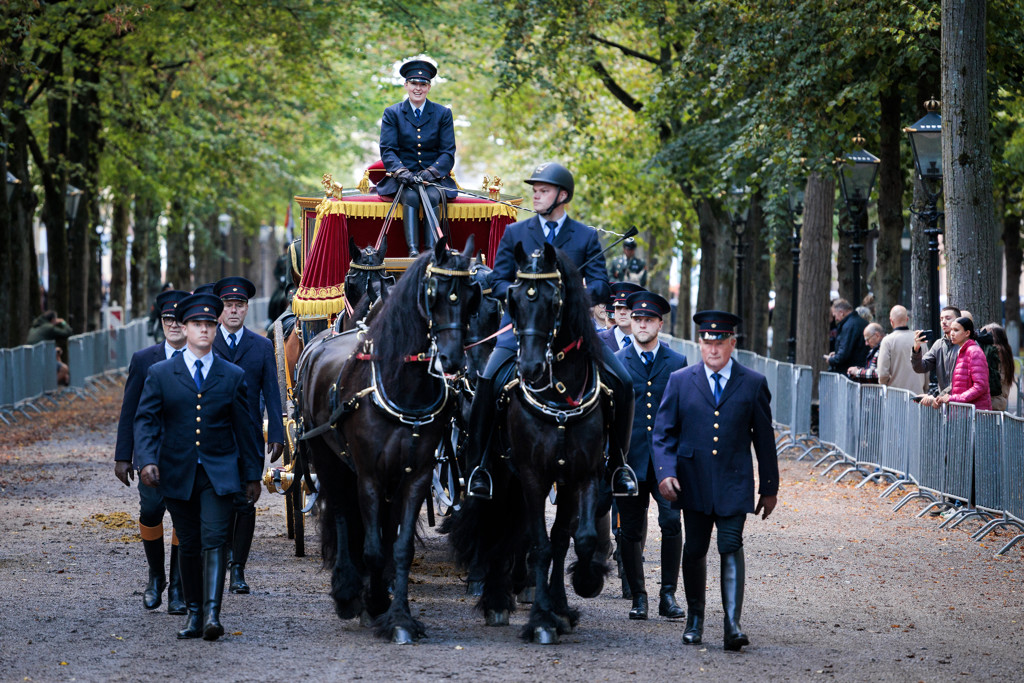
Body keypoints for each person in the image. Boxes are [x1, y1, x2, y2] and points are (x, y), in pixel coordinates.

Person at [463, 161, 635, 498]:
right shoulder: (516, 232)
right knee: (487, 381)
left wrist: (574, 296)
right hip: (522, 330)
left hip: (574, 334)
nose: (536, 195)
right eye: (535, 190)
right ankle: (480, 467)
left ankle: (618, 465)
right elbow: (498, 281)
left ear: (562, 195)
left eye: (543, 190)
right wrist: (522, 296)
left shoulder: (585, 236)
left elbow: (601, 284)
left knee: (624, 382)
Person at [134, 292, 263, 641]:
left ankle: (212, 615)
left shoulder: (233, 375)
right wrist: (146, 460)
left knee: (215, 539)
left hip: (220, 472)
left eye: (209, 324)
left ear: (216, 328)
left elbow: (245, 428)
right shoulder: (161, 373)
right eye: (197, 324)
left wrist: (253, 475)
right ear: (186, 329)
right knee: (189, 542)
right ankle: (193, 613)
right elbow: (145, 421)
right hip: (177, 472)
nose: (204, 330)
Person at [653, 310, 779, 651]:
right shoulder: (680, 380)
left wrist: (769, 488)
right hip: (691, 482)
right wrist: (665, 473)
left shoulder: (753, 383)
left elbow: (764, 440)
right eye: (707, 342)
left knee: (730, 544)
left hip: (734, 481)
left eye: (720, 342)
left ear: (732, 344)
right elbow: (663, 434)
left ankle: (732, 624)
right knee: (694, 549)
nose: (713, 349)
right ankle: (695, 620)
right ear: (700, 343)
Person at [114, 289, 191, 614]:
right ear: (160, 322)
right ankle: (155, 576)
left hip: (188, 454)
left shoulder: (201, 354)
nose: (173, 325)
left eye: (178, 319)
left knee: (183, 519)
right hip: (152, 454)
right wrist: (123, 456)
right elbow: (130, 409)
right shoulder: (144, 359)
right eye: (167, 319)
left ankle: (177, 588)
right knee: (150, 513)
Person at [614, 291, 688, 621]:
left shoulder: (677, 363)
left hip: (666, 462)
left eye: (649, 320)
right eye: (638, 319)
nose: (642, 324)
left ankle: (668, 595)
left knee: (672, 523)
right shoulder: (617, 360)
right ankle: (638, 596)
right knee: (629, 531)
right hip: (629, 461)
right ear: (631, 322)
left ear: (660, 323)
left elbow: (684, 414)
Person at [212, 276, 284, 594]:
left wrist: (278, 435)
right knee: (219, 501)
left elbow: (271, 393)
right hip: (213, 437)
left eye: (239, 305)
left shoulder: (262, 346)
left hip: (250, 437)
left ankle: (238, 569)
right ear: (219, 309)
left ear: (246, 309)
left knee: (246, 502)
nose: (233, 311)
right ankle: (222, 557)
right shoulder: (205, 342)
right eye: (228, 305)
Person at [376, 58, 458, 256]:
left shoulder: (443, 113)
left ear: (429, 87)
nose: (418, 88)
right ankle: (413, 251)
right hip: (403, 180)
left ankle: (431, 252)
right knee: (411, 197)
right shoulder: (392, 113)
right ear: (406, 85)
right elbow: (388, 150)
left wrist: (431, 173)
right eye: (414, 83)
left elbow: (448, 151)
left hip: (434, 180)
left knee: (431, 197)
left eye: (423, 84)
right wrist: (402, 172)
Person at [935, 317, 991, 411]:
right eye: (951, 329)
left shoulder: (974, 352)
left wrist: (954, 398)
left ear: (967, 333)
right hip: (964, 412)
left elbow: (980, 386)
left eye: (956, 330)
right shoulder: (963, 351)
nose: (952, 333)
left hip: (975, 414)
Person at [912, 305, 961, 404]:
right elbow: (920, 367)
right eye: (941, 319)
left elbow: (960, 381)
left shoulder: (965, 344)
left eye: (948, 318)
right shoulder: (939, 344)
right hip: (945, 405)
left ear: (958, 321)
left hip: (962, 403)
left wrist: (937, 397)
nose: (943, 322)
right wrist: (916, 349)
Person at [876, 305, 927, 394]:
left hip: (895, 395)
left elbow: (883, 373)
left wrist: (884, 386)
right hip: (918, 394)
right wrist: (925, 388)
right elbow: (927, 369)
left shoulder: (887, 341)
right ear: (907, 319)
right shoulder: (919, 339)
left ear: (891, 321)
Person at [598, 282, 645, 352]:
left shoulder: (648, 341)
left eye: (627, 308)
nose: (622, 312)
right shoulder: (597, 340)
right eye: (618, 307)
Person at [980, 323, 1016, 411]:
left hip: (993, 401)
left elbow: (995, 378)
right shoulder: (1005, 350)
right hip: (999, 400)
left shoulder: (996, 350)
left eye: (987, 334)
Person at [826, 299, 868, 374]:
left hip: (849, 372)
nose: (835, 319)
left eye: (835, 315)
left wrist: (832, 360)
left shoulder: (848, 326)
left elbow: (844, 352)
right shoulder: (861, 322)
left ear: (841, 313)